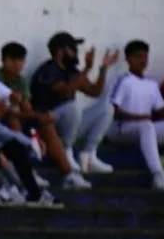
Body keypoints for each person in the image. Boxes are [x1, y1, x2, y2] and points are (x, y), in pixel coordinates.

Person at [30, 31, 119, 187]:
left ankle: (88, 155)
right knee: (72, 107)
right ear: (60, 51)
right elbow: (65, 90)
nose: (76, 52)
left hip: (69, 127)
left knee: (106, 107)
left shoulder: (72, 72)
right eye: (72, 48)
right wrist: (86, 69)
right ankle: (66, 151)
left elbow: (95, 92)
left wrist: (102, 69)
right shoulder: (48, 70)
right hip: (49, 127)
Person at [0, 41, 71, 189]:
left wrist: (42, 117)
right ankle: (26, 170)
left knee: (47, 124)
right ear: (3, 60)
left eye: (20, 60)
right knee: (14, 120)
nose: (17, 64)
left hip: (16, 119)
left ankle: (68, 174)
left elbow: (27, 109)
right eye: (12, 60)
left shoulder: (21, 80)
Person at [106, 40, 164, 190]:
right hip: (120, 131)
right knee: (147, 126)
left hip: (143, 131)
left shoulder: (151, 84)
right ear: (128, 59)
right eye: (138, 57)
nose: (143, 61)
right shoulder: (123, 80)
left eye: (145, 57)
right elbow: (112, 111)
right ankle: (158, 175)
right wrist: (139, 118)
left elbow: (161, 111)